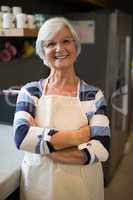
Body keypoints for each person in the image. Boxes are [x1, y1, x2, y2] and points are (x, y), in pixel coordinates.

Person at [13, 17, 111, 200]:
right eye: (51, 43)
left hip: (82, 188)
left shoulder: (93, 95)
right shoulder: (30, 92)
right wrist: (78, 136)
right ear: (43, 51)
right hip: (39, 186)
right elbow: (21, 137)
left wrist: (43, 147)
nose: (59, 49)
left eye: (66, 41)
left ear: (75, 46)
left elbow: (102, 148)